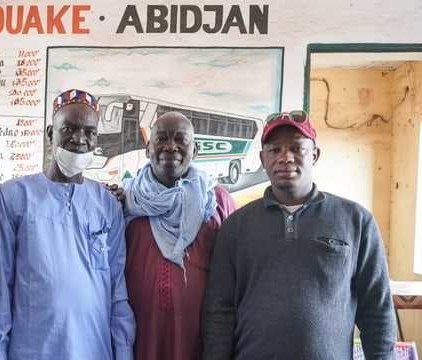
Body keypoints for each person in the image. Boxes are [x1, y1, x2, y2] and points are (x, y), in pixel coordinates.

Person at [201, 110, 397, 359]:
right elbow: (219, 310)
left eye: (297, 148)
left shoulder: (356, 221)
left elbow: (377, 310)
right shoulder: (236, 226)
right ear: (263, 159)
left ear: (314, 155)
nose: (285, 158)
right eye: (274, 150)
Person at [0, 89, 135, 360]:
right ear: (50, 133)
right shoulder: (15, 195)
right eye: (69, 128)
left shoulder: (107, 204)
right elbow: (2, 284)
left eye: (89, 132)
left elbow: (116, 288)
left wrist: (123, 350)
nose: (79, 139)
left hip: (94, 348)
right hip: (31, 349)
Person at [121, 111, 237, 360]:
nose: (170, 146)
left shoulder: (217, 202)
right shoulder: (126, 201)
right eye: (161, 138)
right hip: (138, 336)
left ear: (194, 150)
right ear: (147, 148)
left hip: (200, 338)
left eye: (181, 140)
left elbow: (235, 275)